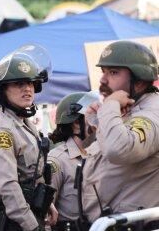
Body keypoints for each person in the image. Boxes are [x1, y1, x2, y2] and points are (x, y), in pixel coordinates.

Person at [81, 41, 159, 226]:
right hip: (109, 222)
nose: (103, 80)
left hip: (136, 225)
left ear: (139, 82)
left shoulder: (153, 113)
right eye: (104, 72)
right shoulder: (131, 109)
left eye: (113, 72)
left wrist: (109, 106)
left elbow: (119, 150)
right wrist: (98, 121)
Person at [0, 48, 58, 231]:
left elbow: (33, 174)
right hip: (7, 221)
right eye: (18, 84)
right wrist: (31, 225)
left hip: (24, 214)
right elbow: (8, 187)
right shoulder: (2, 129)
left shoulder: (23, 123)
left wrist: (48, 204)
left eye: (31, 83)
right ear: (3, 90)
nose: (28, 89)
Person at [47, 93, 91, 230]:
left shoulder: (100, 155)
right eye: (94, 118)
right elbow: (45, 218)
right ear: (77, 124)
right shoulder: (57, 161)